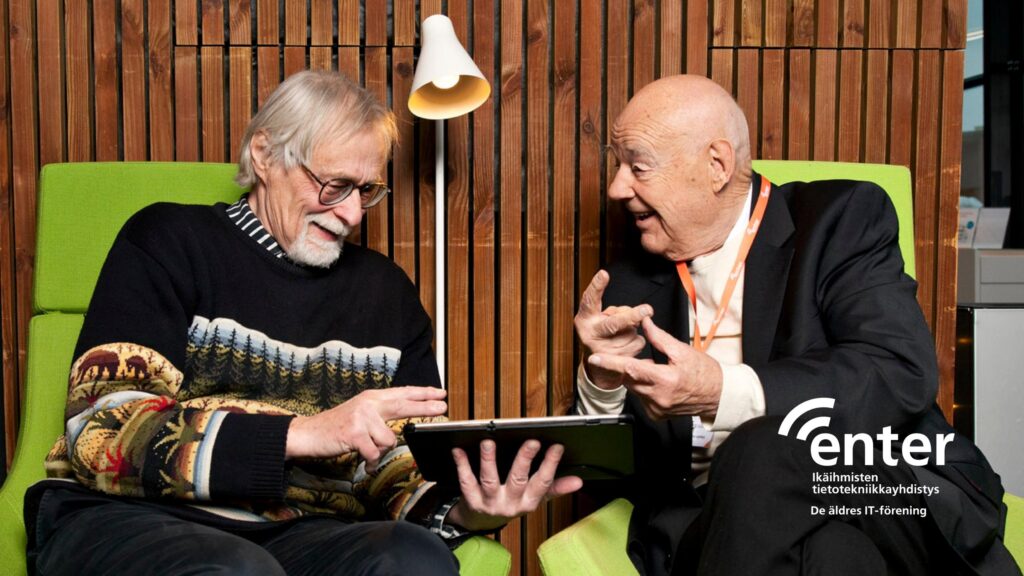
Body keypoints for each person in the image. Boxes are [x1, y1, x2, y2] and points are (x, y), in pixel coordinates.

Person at [26, 70, 581, 575]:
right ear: (265, 155)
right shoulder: (168, 240)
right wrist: (304, 434)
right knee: (240, 571)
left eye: (367, 191)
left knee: (415, 559)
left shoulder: (386, 293)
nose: (352, 214)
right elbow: (103, 432)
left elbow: (396, 467)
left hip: (300, 533)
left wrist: (469, 509)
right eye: (334, 184)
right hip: (131, 518)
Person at [574, 74, 1019, 576]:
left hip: (873, 489)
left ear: (716, 166)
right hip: (717, 528)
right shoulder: (628, 285)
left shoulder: (839, 220)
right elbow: (613, 485)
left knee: (761, 449)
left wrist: (722, 391)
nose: (617, 188)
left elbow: (899, 371)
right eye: (617, 166)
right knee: (833, 555)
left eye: (637, 167)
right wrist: (603, 382)